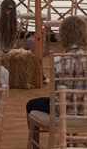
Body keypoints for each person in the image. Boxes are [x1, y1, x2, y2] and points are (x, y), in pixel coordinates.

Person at [26, 15, 87, 147]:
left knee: (32, 104)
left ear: (63, 36)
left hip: (62, 114)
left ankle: (35, 146)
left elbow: (55, 92)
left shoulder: (59, 60)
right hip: (84, 112)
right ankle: (71, 140)